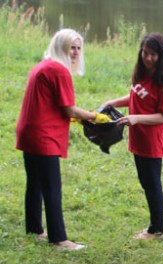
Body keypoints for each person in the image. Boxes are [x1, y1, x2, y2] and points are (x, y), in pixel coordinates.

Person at [16, 28, 109, 251]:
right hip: (43, 136)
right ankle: (59, 239)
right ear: (61, 46)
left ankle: (34, 229)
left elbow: (52, 104)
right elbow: (68, 109)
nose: (76, 52)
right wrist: (93, 116)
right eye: (72, 47)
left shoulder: (43, 64)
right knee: (52, 187)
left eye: (78, 48)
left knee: (35, 183)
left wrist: (75, 117)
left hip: (29, 131)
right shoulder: (58, 70)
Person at [101, 32, 163, 240]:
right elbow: (136, 95)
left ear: (161, 55)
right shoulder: (143, 73)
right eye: (145, 53)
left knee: (152, 184)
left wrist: (135, 118)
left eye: (153, 54)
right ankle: (154, 226)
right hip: (138, 139)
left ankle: (156, 230)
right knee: (146, 182)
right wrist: (113, 102)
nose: (148, 58)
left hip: (152, 142)